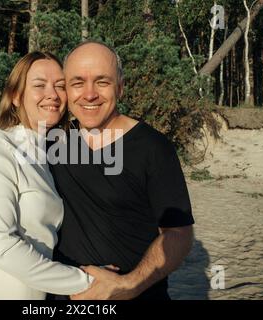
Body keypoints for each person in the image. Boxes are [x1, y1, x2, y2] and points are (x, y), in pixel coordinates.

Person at [0, 52, 94, 300]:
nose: (52, 94)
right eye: (39, 85)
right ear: (16, 96)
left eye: (60, 86)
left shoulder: (49, 158)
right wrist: (85, 283)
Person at [49, 41, 195, 300]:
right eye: (77, 82)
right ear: (66, 90)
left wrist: (129, 285)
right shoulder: (52, 141)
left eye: (102, 82)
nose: (89, 94)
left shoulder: (153, 148)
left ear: (120, 87)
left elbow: (179, 234)